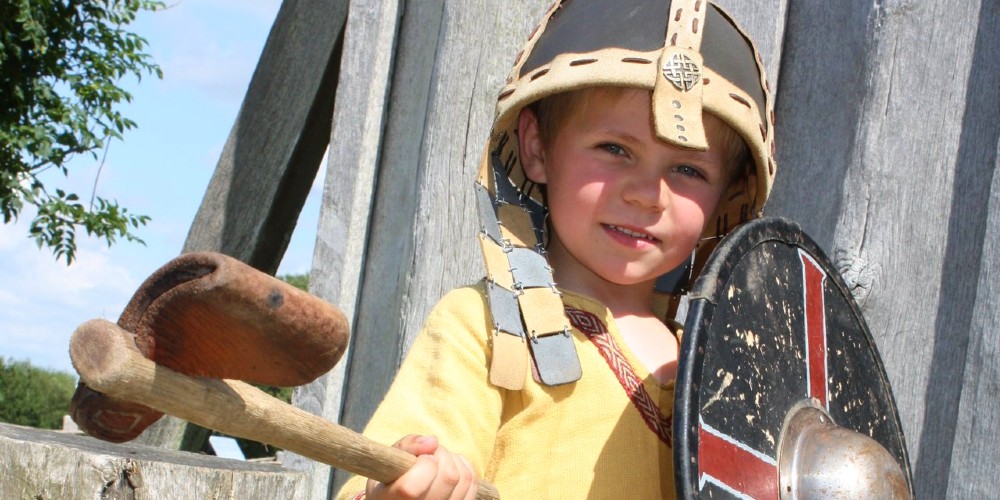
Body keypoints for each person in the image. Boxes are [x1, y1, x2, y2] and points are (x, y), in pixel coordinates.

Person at [338, 0, 776, 498]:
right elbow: (381, 472)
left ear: (728, 197)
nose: (647, 193)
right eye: (615, 149)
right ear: (537, 148)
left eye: (688, 170)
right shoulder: (481, 328)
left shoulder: (725, 374)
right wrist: (408, 485)